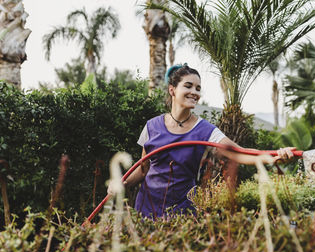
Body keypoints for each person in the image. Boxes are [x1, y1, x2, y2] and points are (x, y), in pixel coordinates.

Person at [108, 64, 294, 219]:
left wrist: (275, 156)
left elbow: (239, 153)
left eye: (198, 88)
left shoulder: (205, 131)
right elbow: (143, 168)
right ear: (172, 90)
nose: (194, 92)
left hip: (182, 213)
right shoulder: (151, 127)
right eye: (188, 86)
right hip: (146, 209)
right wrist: (121, 184)